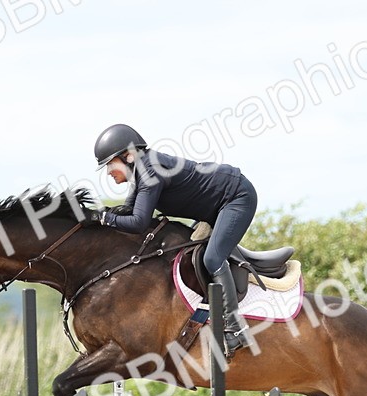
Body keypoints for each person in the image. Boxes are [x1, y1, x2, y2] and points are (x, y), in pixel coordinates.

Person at [89, 123, 256, 356]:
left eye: (110, 164)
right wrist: (95, 217)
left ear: (128, 156)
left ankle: (235, 327)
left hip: (236, 197)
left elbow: (138, 223)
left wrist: (105, 219)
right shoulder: (142, 170)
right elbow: (127, 210)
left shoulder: (150, 171)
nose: (108, 172)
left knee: (213, 258)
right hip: (216, 206)